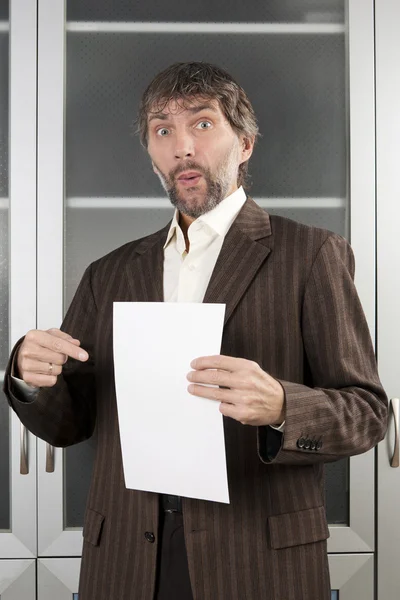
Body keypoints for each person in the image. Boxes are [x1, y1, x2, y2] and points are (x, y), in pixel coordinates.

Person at [3, 62, 388, 600]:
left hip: (257, 556)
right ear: (153, 156)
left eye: (202, 124)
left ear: (246, 144)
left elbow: (368, 412)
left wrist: (282, 405)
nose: (182, 146)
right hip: (127, 558)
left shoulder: (310, 254)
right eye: (163, 131)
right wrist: (28, 376)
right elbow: (71, 423)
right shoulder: (108, 272)